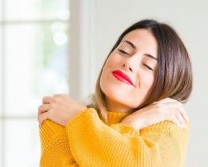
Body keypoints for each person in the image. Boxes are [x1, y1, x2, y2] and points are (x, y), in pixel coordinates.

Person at [37, 19, 193, 167]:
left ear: (165, 84)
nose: (129, 63)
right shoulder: (58, 117)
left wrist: (78, 118)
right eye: (124, 51)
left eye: (147, 65)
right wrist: (130, 125)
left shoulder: (169, 123)